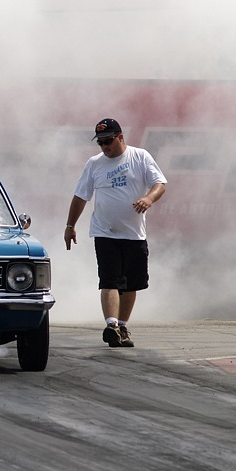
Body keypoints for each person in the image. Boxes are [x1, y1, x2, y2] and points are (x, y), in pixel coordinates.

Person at [64, 118, 167, 347]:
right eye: (100, 143)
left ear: (120, 137)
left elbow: (159, 183)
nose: (104, 147)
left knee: (130, 284)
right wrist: (70, 226)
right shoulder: (94, 164)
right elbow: (81, 196)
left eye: (108, 141)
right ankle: (110, 325)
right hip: (105, 232)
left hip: (133, 233)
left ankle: (122, 326)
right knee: (109, 280)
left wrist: (148, 199)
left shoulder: (140, 157)